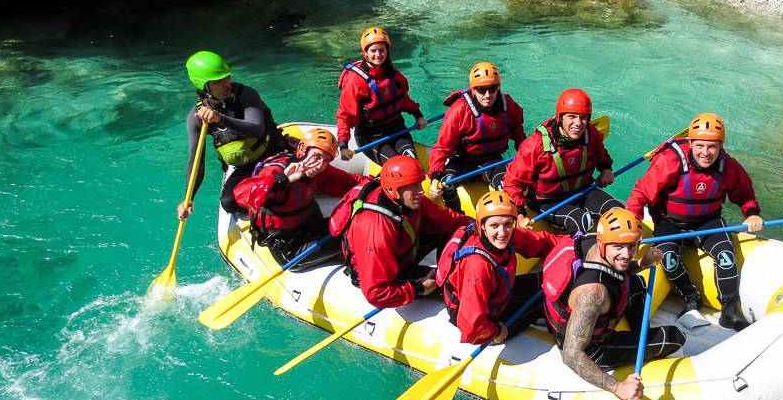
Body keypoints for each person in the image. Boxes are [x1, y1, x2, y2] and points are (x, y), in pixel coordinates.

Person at [625, 113, 762, 331]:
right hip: (670, 222)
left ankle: (729, 310)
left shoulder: (728, 166)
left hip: (708, 221)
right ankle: (691, 297)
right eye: (699, 146)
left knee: (726, 257)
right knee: (667, 260)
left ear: (720, 146)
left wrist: (752, 212)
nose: (705, 153)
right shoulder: (670, 161)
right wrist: (632, 223)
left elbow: (744, 192)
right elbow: (640, 193)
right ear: (689, 143)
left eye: (712, 147)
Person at [542, 208, 686, 400]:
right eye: (618, 247)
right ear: (603, 244)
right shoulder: (593, 295)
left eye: (632, 246)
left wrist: (642, 263)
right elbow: (571, 355)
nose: (626, 255)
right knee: (674, 337)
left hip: (593, 308)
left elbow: (620, 272)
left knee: (636, 283)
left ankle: (638, 334)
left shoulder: (593, 243)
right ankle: (638, 345)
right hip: (593, 348)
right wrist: (618, 387)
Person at [329, 155, 472, 309]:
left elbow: (445, 219)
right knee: (449, 283)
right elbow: (376, 293)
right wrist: (420, 288)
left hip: (402, 248)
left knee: (455, 230)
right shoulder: (376, 231)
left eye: (419, 183)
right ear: (393, 190)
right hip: (383, 272)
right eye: (414, 186)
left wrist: (476, 225)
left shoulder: (406, 198)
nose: (421, 191)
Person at [435, 191, 567, 345]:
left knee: (545, 280)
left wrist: (572, 244)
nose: (502, 232)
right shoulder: (477, 266)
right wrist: (496, 331)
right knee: (547, 296)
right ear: (482, 226)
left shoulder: (506, 235)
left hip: (493, 294)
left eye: (507, 224)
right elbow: (471, 325)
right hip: (478, 319)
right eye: (494, 225)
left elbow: (542, 242)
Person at [233, 127, 368, 270]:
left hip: (309, 228)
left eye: (326, 160)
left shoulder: (318, 170)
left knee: (356, 223)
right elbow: (241, 193)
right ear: (303, 150)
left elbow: (348, 182)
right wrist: (283, 179)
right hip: (290, 250)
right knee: (354, 236)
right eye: (317, 156)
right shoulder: (276, 170)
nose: (320, 165)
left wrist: (378, 182)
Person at [178, 50, 287, 221]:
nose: (226, 83)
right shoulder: (196, 117)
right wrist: (188, 198)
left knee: (281, 184)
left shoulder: (246, 94)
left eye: (227, 77)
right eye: (219, 81)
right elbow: (196, 160)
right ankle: (261, 214)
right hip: (245, 167)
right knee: (228, 202)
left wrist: (221, 119)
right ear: (204, 86)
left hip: (273, 153)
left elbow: (256, 129)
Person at [502, 88, 621, 233]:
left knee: (618, 212)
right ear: (560, 117)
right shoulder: (534, 145)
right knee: (583, 221)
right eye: (572, 117)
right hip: (549, 202)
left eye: (583, 117)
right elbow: (512, 183)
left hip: (583, 192)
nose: (578, 123)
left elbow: (602, 154)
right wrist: (519, 214)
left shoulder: (590, 133)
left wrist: (606, 168)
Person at [427, 62, 526, 211]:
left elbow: (521, 141)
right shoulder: (459, 110)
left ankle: (514, 216)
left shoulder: (509, 106)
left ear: (498, 88)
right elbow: (442, 147)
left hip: (493, 162)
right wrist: (435, 177)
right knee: (447, 184)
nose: (487, 95)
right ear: (473, 90)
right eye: (481, 90)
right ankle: (456, 217)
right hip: (463, 161)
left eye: (492, 89)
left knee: (506, 186)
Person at [336, 27, 428, 166]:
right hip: (371, 136)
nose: (378, 54)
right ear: (365, 53)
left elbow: (404, 100)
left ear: (387, 52)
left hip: (396, 128)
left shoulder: (393, 74)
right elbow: (345, 115)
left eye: (382, 50)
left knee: (412, 162)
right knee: (398, 168)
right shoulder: (355, 81)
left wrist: (418, 116)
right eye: (373, 50)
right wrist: (343, 146)